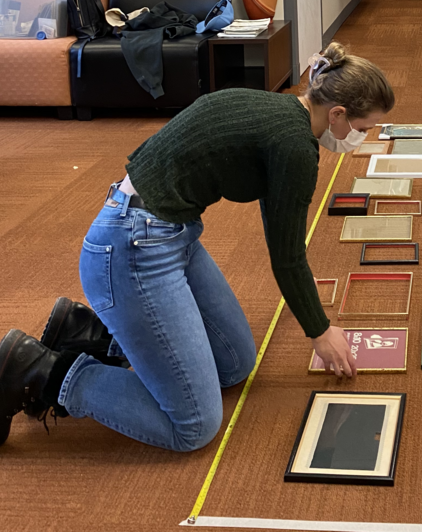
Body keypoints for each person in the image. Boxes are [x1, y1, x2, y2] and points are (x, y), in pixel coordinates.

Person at [0, 42, 395, 450]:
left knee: (235, 363)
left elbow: (156, 153)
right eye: (362, 129)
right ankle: (39, 370)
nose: (360, 139)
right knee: (193, 425)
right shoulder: (296, 147)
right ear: (338, 115)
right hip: (132, 250)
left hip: (167, 232)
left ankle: (87, 332)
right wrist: (320, 330)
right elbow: (288, 257)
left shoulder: (272, 109)